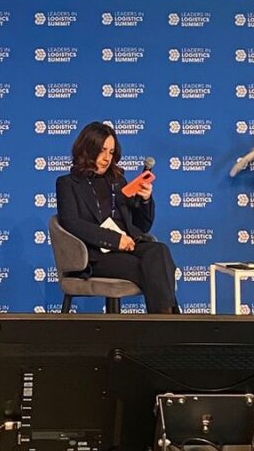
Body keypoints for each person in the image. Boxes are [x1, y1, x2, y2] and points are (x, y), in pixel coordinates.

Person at [55, 122, 179, 313]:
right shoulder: (67, 183)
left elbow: (142, 226)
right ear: (87, 149)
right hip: (95, 255)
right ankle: (168, 323)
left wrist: (145, 200)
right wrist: (114, 240)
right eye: (102, 150)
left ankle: (164, 323)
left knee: (159, 250)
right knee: (150, 268)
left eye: (111, 152)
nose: (107, 158)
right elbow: (72, 223)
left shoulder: (117, 181)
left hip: (129, 245)